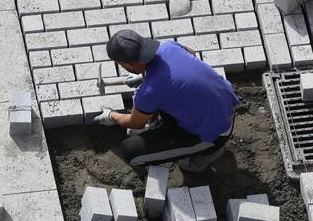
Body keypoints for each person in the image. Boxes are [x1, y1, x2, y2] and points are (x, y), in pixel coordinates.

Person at [95, 29, 240, 171]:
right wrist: (147, 76)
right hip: (225, 105)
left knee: (130, 151)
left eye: (121, 64)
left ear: (129, 65)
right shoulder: (169, 47)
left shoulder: (148, 92)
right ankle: (163, 125)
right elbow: (192, 53)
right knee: (157, 102)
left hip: (215, 134)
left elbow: (135, 123)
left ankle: (209, 153)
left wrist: (112, 116)